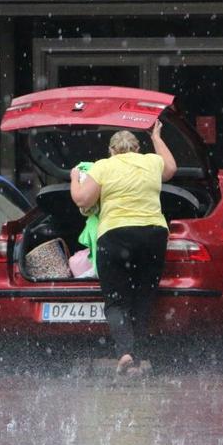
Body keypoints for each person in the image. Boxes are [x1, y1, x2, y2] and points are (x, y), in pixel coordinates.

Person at [70, 122, 177, 376]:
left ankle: (125, 353)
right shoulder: (151, 162)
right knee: (143, 296)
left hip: (115, 236)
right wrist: (157, 136)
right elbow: (171, 168)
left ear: (111, 150)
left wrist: (75, 177)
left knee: (116, 300)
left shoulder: (103, 166)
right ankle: (136, 359)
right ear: (137, 148)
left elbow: (83, 199)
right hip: (153, 234)